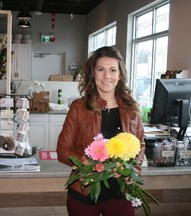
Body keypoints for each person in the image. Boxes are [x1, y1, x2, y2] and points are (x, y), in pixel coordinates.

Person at [57, 46, 145, 216]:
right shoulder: (79, 107)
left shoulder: (131, 109)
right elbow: (62, 149)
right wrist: (88, 164)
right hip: (84, 194)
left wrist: (133, 171)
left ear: (120, 75)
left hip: (120, 195)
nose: (107, 76)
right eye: (101, 69)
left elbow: (140, 145)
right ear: (93, 74)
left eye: (113, 70)